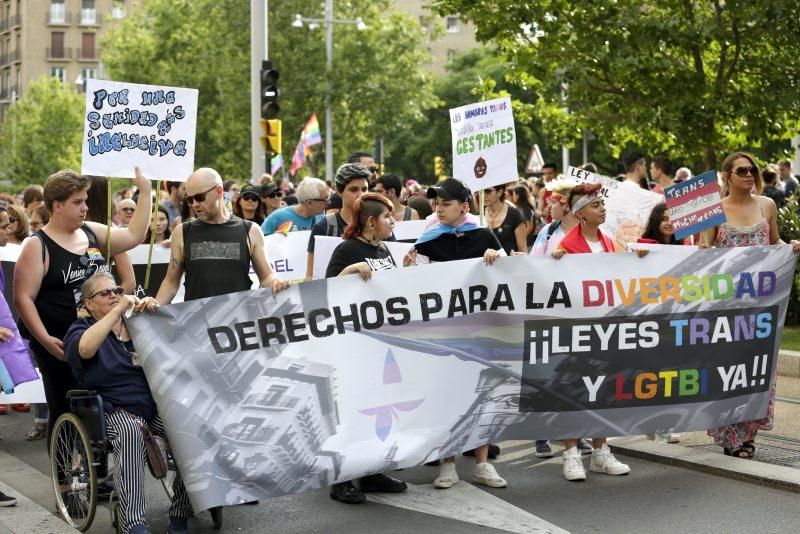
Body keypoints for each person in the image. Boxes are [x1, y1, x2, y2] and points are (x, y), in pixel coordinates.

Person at [14, 168, 152, 447]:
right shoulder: (36, 245)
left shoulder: (92, 232)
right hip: (58, 342)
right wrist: (44, 339)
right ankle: (65, 481)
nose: (85, 207)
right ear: (57, 205)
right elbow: (23, 298)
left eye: (86, 200)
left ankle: (98, 473)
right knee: (63, 404)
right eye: (78, 202)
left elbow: (135, 235)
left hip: (96, 336)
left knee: (100, 406)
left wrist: (147, 191)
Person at [64, 272, 191, 534]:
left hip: (153, 405)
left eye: (117, 291)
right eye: (106, 293)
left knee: (188, 432)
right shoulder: (81, 328)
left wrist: (157, 316)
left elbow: (176, 350)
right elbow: (85, 350)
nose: (114, 296)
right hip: (111, 408)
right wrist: (118, 310)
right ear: (88, 303)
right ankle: (134, 523)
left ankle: (181, 510)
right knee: (131, 432)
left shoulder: (138, 323)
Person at [411, 177, 507, 490]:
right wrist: (410, 268)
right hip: (445, 331)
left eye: (446, 203)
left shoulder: (483, 235)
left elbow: (511, 275)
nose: (438, 208)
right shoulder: (427, 240)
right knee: (448, 396)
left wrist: (497, 260)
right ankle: (447, 463)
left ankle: (482, 464)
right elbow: (417, 287)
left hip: (481, 330)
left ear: (464, 206)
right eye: (436, 203)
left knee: (482, 394)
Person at [703, 152, 800, 458]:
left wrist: (791, 247)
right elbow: (703, 252)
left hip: (761, 306)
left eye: (752, 169)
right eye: (741, 170)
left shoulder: (766, 205)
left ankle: (748, 434)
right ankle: (729, 434)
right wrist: (704, 249)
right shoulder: (714, 210)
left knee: (756, 370)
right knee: (727, 369)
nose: (748, 174)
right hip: (726, 307)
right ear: (727, 176)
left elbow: (776, 244)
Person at [323, 193, 412, 503]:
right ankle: (341, 480)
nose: (394, 221)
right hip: (354, 344)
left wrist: (405, 271)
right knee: (352, 410)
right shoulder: (347, 249)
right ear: (372, 222)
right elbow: (327, 290)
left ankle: (371, 471)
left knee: (378, 409)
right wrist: (350, 271)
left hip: (382, 343)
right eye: (388, 217)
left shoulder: (384, 248)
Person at [551, 182, 642, 481]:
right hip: (575, 330)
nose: (602, 208)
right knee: (572, 388)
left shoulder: (611, 244)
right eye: (595, 205)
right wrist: (553, 265)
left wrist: (638, 258)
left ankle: (601, 452)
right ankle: (571, 454)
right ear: (579, 215)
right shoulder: (563, 248)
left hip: (605, 330)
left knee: (603, 387)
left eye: (602, 203)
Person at [145, 167, 291, 306]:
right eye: (190, 200)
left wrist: (275, 281)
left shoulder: (251, 231)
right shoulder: (181, 232)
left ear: (219, 191)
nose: (194, 204)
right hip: (195, 325)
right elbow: (171, 283)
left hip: (237, 325)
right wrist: (156, 304)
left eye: (200, 197)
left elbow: (266, 276)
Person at [528, 179, 592, 457]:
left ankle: (578, 433)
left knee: (577, 375)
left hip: (583, 313)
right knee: (549, 372)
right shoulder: (548, 232)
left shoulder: (591, 233)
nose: (548, 205)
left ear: (566, 205)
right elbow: (533, 266)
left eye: (553, 201)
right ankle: (542, 432)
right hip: (552, 311)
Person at [306, 164, 371, 279]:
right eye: (354, 189)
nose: (361, 194)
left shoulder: (378, 223)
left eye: (365, 189)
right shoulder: (324, 227)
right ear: (340, 192)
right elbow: (311, 276)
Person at [86, 176, 137, 295]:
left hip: (92, 310)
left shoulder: (110, 234)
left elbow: (130, 282)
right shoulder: (70, 227)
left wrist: (108, 303)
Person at [261, 178, 328, 236]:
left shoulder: (323, 219)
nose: (329, 202)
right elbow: (257, 242)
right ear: (310, 203)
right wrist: (274, 238)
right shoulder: (276, 217)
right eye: (325, 199)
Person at [483, 184, 527, 255]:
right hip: (484, 264)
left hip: (509, 264)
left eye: (488, 191)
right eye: (481, 192)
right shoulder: (478, 216)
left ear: (500, 192)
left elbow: (523, 250)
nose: (484, 195)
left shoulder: (514, 214)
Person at [511, 184, 538, 249]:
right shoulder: (521, 208)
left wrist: (520, 238)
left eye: (514, 194)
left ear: (518, 196)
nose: (513, 197)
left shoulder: (525, 208)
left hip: (528, 243)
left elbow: (529, 226)